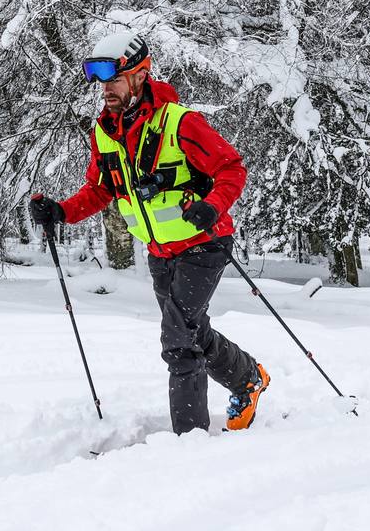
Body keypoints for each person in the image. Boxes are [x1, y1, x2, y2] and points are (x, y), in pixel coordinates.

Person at [29, 30, 270, 434]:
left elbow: (232, 168)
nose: (106, 90)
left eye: (115, 80)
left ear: (140, 77)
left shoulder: (181, 122)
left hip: (204, 243)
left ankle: (189, 437)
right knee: (191, 330)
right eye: (102, 82)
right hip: (159, 250)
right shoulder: (105, 132)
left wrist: (212, 206)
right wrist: (61, 211)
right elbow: (100, 189)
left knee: (178, 341)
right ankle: (248, 378)